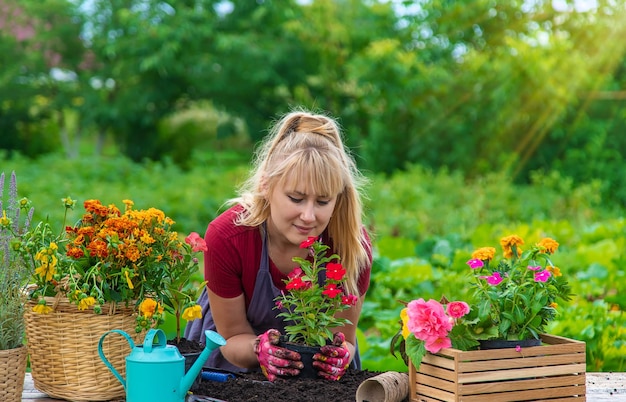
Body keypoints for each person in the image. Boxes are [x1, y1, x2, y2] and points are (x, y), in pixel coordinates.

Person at [185, 108, 373, 381]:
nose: (309, 216)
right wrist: (260, 349)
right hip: (231, 368)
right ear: (266, 185)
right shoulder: (229, 237)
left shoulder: (351, 244)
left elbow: (345, 340)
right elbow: (232, 337)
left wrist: (338, 354)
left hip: (314, 379)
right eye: (296, 198)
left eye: (323, 202)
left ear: (338, 198)